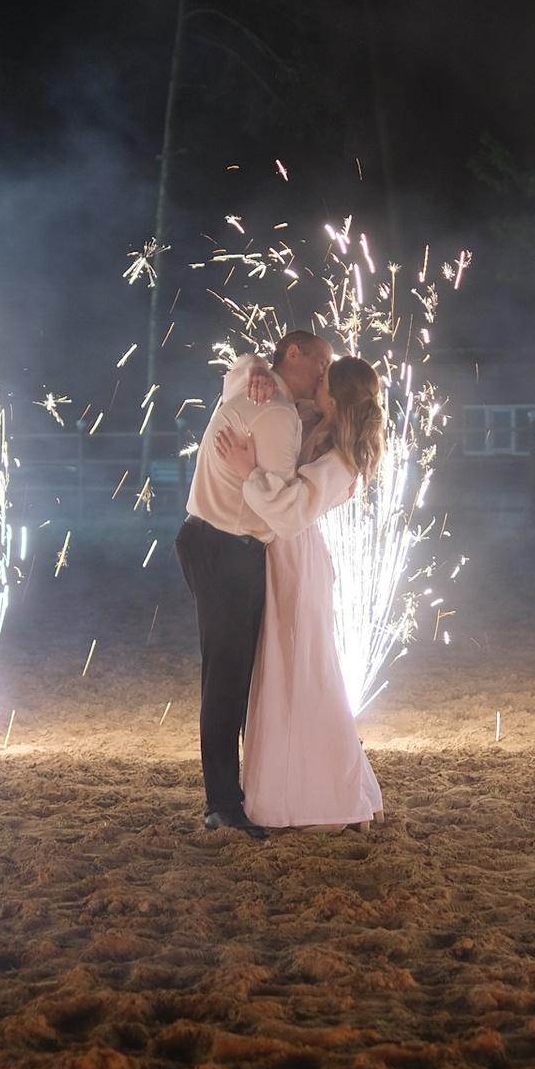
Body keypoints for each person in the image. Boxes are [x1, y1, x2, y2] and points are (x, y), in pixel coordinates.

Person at [216, 355, 386, 831]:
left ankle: (317, 799)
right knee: (290, 670)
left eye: (324, 381)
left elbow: (291, 512)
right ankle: (317, 792)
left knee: (299, 673)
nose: (316, 382)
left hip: (296, 561)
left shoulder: (341, 461)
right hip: (285, 557)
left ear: (336, 398)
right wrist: (257, 371)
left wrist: (248, 472)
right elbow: (262, 394)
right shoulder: (316, 419)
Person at [175, 330, 333, 836]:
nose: (325, 373)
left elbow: (239, 371)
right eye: (321, 362)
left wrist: (255, 365)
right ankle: (223, 804)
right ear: (294, 354)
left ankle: (235, 797)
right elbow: (279, 510)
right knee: (228, 680)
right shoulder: (279, 414)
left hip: (209, 539)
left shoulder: (254, 391)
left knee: (234, 676)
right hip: (227, 547)